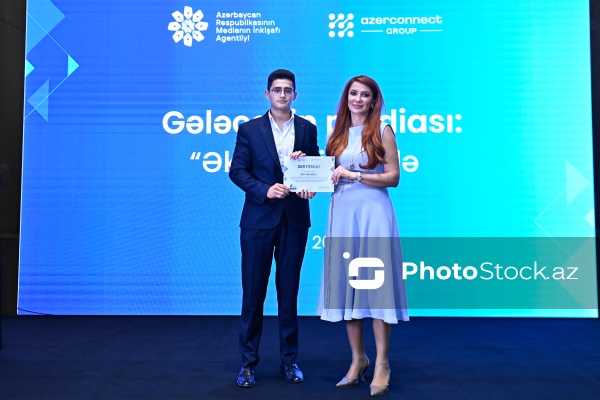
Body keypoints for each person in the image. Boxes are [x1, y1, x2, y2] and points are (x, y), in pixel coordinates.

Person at [317, 75, 409, 396]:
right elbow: (328, 176)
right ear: (347, 98)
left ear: (373, 101)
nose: (358, 99)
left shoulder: (383, 129)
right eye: (353, 93)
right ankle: (358, 359)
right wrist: (303, 171)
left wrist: (356, 175)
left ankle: (382, 363)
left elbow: (393, 177)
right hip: (342, 215)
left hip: (374, 215)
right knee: (347, 289)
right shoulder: (337, 133)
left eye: (365, 95)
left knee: (376, 288)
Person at [229, 69, 319, 388]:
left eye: (288, 90)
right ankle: (248, 364)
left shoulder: (307, 128)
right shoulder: (249, 129)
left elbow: (314, 170)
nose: (282, 94)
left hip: (294, 220)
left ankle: (289, 361)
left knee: (289, 293)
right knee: (253, 295)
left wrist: (309, 185)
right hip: (258, 220)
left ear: (295, 94)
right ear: (267, 94)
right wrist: (264, 190)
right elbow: (237, 171)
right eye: (277, 90)